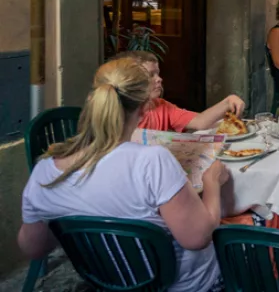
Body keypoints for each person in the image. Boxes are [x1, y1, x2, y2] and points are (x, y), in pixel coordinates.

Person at [18, 59, 226, 292]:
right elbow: (197, 239)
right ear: (144, 108)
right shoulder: (152, 161)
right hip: (180, 285)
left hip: (105, 282)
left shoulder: (45, 171)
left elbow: (33, 248)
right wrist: (212, 184)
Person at [117, 51, 245, 133]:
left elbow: (200, 121)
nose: (159, 79)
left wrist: (228, 102)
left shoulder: (162, 106)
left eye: (158, 73)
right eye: (150, 75)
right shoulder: (118, 114)